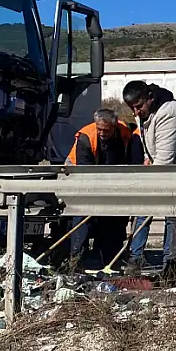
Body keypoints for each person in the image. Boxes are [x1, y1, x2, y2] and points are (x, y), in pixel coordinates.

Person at [123, 80, 176, 275]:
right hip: (164, 168)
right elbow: (149, 144)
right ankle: (136, 257)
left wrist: (151, 181)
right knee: (144, 209)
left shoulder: (170, 112)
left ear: (150, 97)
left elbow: (165, 158)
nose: (135, 112)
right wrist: (146, 159)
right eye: (131, 108)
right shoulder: (144, 114)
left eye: (139, 106)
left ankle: (174, 263)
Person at [66, 108, 142, 266]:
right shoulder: (86, 137)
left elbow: (131, 164)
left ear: (114, 127)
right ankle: (76, 259)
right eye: (99, 129)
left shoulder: (126, 134)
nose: (102, 133)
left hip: (113, 179)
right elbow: (85, 174)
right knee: (82, 214)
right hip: (82, 176)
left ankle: (111, 257)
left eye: (106, 130)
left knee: (116, 217)